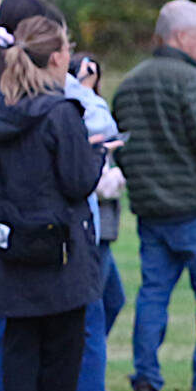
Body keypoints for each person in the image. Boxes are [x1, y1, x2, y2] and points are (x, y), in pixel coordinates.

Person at [0, 17, 104, 391]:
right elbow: (76, 181)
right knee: (62, 348)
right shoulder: (61, 113)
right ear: (57, 58)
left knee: (19, 345)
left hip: (10, 236)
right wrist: (98, 153)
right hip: (58, 244)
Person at [112, 0, 196, 391]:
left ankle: (146, 373)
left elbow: (123, 146)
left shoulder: (130, 83)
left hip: (151, 209)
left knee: (153, 292)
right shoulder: (193, 82)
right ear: (182, 37)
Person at [71, 54, 128, 338]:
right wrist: (83, 87)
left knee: (111, 299)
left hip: (104, 216)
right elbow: (101, 130)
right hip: (95, 220)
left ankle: (83, 365)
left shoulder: (91, 106)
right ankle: (82, 370)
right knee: (96, 305)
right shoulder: (81, 105)